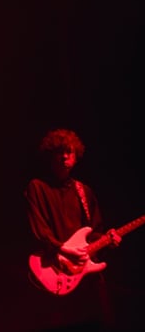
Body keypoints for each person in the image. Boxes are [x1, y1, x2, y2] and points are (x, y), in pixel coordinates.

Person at [24, 128, 121, 331]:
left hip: (85, 279)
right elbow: (38, 229)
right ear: (51, 155)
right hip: (54, 273)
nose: (65, 156)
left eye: (69, 152)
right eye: (59, 151)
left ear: (76, 157)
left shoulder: (84, 191)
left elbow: (94, 231)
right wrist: (62, 249)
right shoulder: (37, 187)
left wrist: (107, 240)